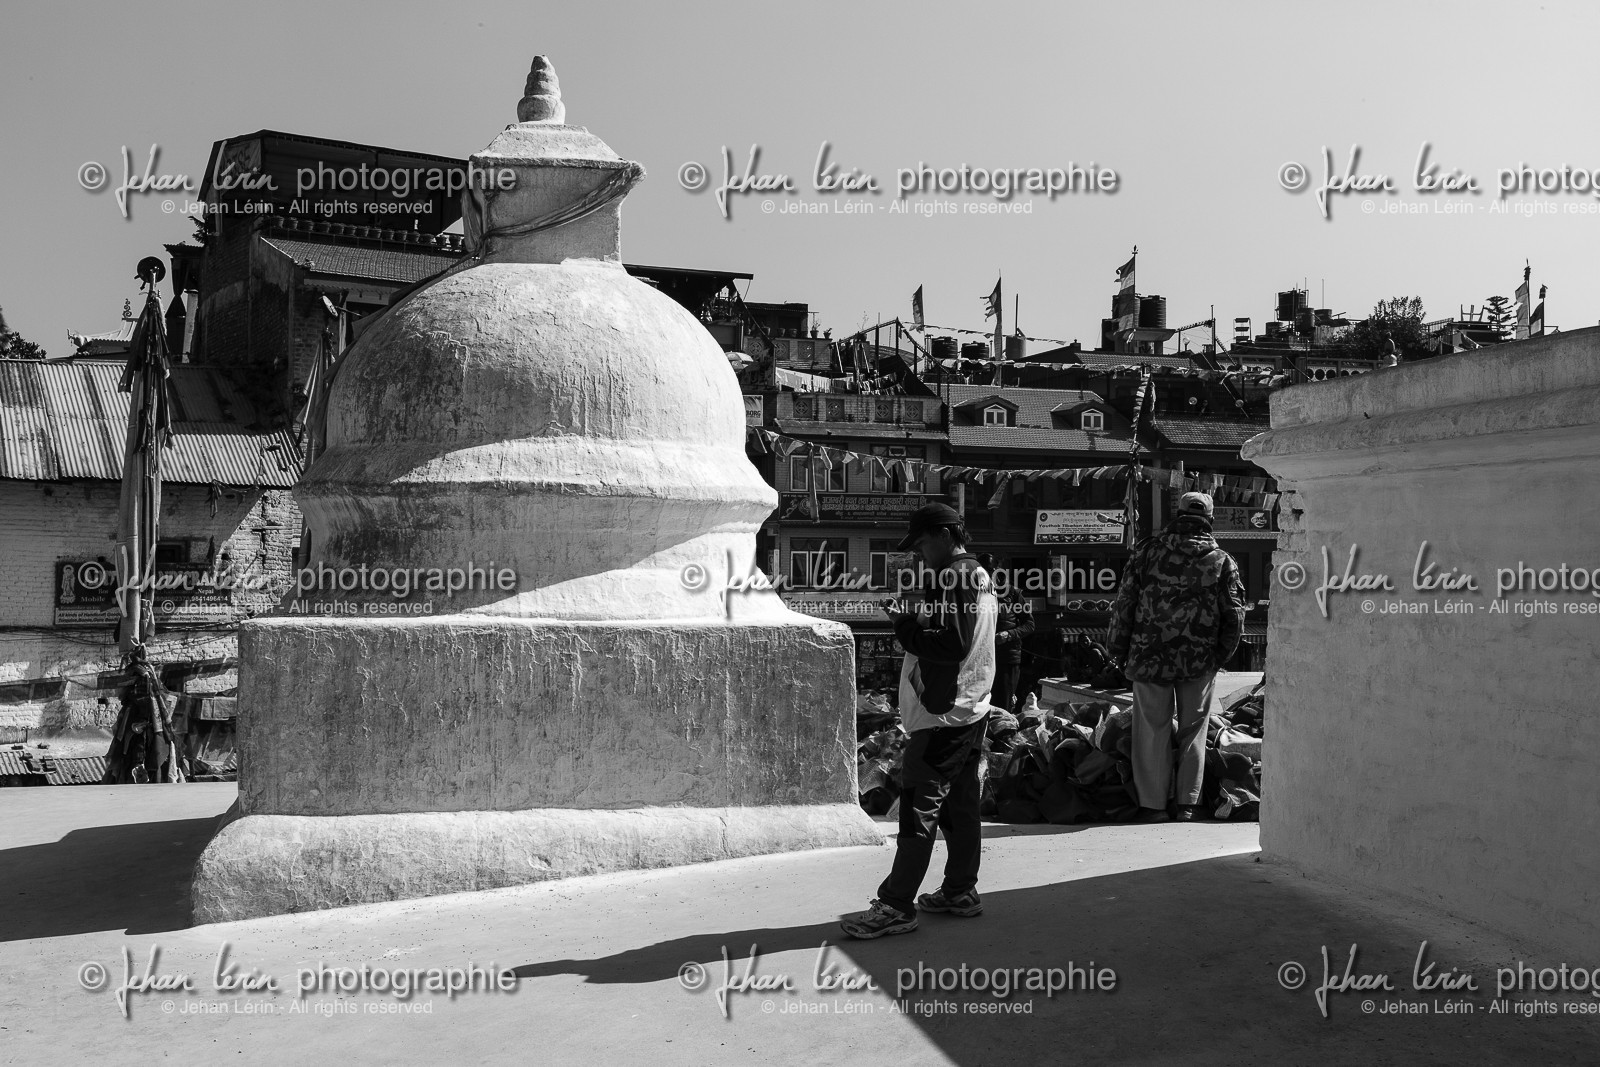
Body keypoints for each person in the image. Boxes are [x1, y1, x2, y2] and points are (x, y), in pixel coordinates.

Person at [841, 503, 997, 939]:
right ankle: (960, 891)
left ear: (944, 534)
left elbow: (951, 645)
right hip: (971, 708)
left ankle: (895, 905)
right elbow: (963, 637)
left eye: (923, 543)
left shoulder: (955, 576)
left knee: (917, 813)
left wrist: (905, 625)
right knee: (962, 808)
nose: (920, 554)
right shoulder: (979, 576)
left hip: (941, 716)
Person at [1106, 492, 1246, 823]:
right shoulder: (1223, 561)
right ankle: (1188, 804)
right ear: (1210, 520)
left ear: (1177, 515)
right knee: (1194, 729)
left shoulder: (1146, 554)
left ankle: (1153, 806)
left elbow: (1124, 606)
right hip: (1199, 661)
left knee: (1151, 730)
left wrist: (1117, 651)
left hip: (1148, 656)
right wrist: (1218, 658)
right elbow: (1235, 616)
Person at [977, 553, 1034, 714]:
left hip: (1006, 658)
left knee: (1002, 706)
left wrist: (1008, 634)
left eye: (991, 570)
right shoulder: (974, 593)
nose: (988, 574)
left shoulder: (1013, 594)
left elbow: (1029, 624)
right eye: (985, 571)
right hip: (981, 658)